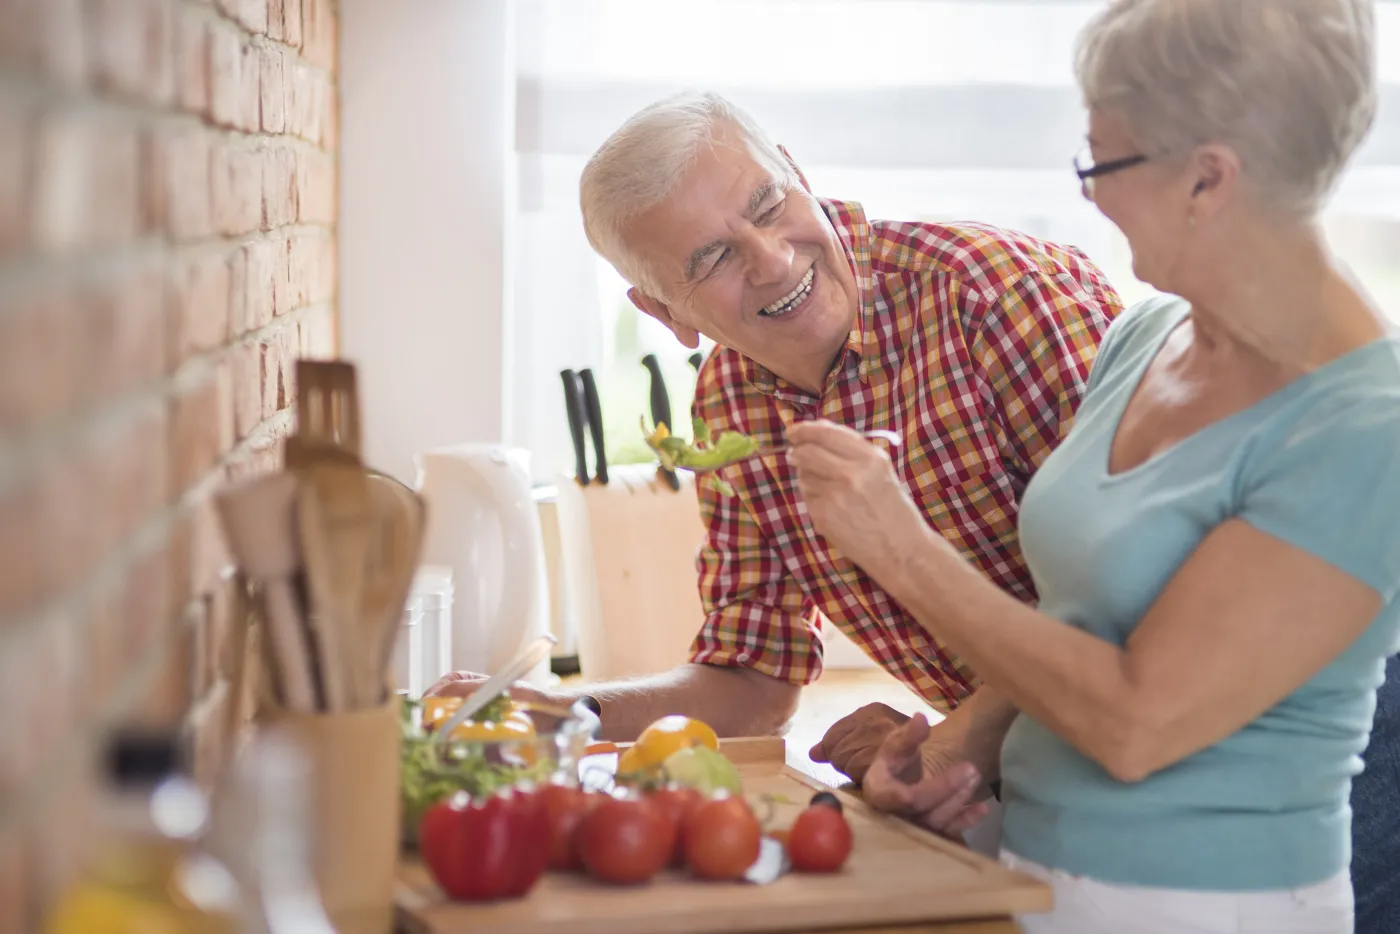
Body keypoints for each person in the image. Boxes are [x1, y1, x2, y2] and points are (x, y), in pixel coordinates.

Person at [786, 0, 1398, 931]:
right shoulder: (1143, 337)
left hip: (1213, 905)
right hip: (1041, 871)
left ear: (1208, 178)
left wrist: (900, 547)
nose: (1091, 196)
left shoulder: (1361, 426)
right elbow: (1079, 622)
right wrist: (958, 756)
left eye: (1102, 163)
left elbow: (1135, 724)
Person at [428, 88, 1119, 826]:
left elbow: (1130, 587)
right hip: (1038, 788)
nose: (774, 259)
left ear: (797, 172)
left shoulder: (995, 297)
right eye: (713, 257)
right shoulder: (728, 404)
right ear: (664, 312)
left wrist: (957, 745)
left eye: (766, 205)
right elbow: (755, 679)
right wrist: (566, 713)